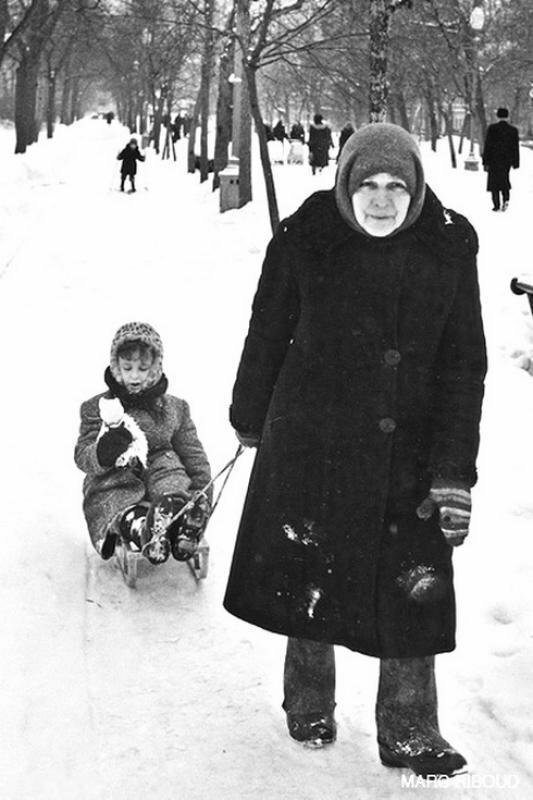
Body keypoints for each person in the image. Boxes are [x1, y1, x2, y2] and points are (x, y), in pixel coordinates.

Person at [224, 123, 486, 778]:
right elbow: (268, 327)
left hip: (411, 448)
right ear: (343, 183)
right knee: (312, 569)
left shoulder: (447, 246)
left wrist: (454, 469)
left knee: (412, 587)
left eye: (396, 185)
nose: (380, 199)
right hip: (313, 438)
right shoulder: (306, 236)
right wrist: (249, 415)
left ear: (416, 188)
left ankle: (408, 729)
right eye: (366, 183)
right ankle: (308, 701)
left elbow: (463, 364)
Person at [75, 322, 212, 566]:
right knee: (114, 496)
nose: (135, 376)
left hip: (159, 470)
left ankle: (181, 519)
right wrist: (104, 451)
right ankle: (141, 528)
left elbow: (192, 453)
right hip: (116, 476)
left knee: (170, 474)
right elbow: (83, 456)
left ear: (155, 369)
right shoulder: (97, 408)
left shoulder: (175, 408)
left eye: (143, 368)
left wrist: (202, 492)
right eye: (127, 368)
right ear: (116, 367)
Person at [482, 107, 519, 212]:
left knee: (494, 183)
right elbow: (515, 148)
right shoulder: (513, 130)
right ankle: (506, 199)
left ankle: (496, 205)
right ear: (507, 116)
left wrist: (485, 161)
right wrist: (515, 162)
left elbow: (488, 146)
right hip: (506, 161)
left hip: (494, 160)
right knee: (504, 180)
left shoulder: (492, 129)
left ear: (497, 116)